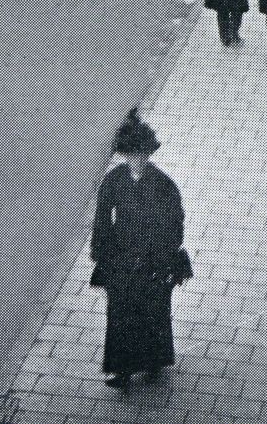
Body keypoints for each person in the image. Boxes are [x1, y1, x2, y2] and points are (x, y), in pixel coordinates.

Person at [89, 109, 188, 390]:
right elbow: (102, 218)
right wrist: (102, 253)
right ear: (125, 155)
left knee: (153, 311)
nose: (139, 160)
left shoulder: (162, 184)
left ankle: (154, 361)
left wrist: (166, 253)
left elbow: (175, 220)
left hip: (153, 259)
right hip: (122, 258)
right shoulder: (114, 181)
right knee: (120, 316)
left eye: (143, 154)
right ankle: (121, 370)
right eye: (133, 155)